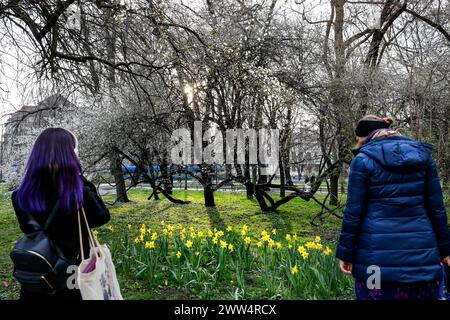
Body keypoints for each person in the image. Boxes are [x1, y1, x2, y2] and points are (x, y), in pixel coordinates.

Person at [336, 115, 450, 300]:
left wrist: (346, 254)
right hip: (422, 260)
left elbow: (353, 213)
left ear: (364, 137)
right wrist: (445, 251)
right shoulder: (423, 157)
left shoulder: (363, 160)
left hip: (375, 264)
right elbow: (437, 209)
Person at [11, 127, 110, 300]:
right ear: (70, 155)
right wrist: (79, 177)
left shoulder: (20, 195)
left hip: (37, 278)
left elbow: (28, 229)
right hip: (70, 278)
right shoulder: (78, 194)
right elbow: (102, 216)